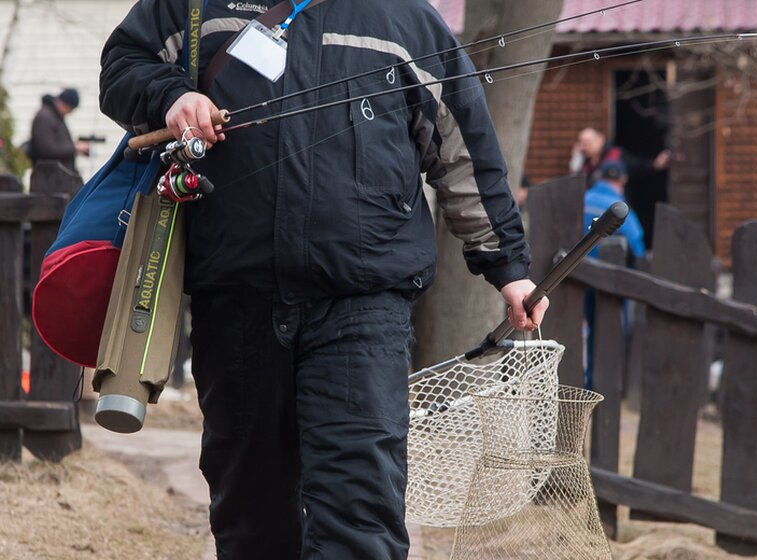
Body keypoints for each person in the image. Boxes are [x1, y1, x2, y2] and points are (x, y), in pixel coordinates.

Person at [99, 1, 548, 559]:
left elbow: (462, 148)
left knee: (359, 512)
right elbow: (122, 65)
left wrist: (508, 268)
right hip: (236, 305)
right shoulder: (192, 5)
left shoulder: (404, 16)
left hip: (364, 311)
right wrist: (172, 96)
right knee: (251, 517)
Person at [582, 160, 645, 390]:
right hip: (609, 285)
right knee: (608, 336)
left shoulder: (582, 200)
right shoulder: (620, 207)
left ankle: (579, 385)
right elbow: (637, 246)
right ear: (622, 180)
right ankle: (601, 387)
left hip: (575, 277)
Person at [569, 126, 670, 186]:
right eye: (581, 143)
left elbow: (638, 166)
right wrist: (575, 161)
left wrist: (655, 164)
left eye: (588, 143)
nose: (584, 147)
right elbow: (574, 184)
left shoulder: (615, 155)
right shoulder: (583, 162)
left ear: (600, 139)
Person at [28, 88, 89, 173]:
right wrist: (75, 147)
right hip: (50, 177)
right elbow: (46, 150)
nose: (70, 113)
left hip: (57, 176)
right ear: (64, 104)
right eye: (70, 109)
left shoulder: (55, 116)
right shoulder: (45, 117)